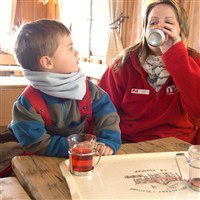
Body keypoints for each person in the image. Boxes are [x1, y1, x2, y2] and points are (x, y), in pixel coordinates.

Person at [10, 19, 121, 157]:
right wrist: (74, 147)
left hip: (88, 157)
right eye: (70, 48)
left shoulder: (92, 92)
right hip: (43, 161)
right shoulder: (27, 104)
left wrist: (108, 143)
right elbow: (35, 142)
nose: (76, 52)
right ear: (47, 62)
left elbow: (109, 119)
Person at [98, 0, 200, 144]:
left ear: (181, 30)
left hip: (178, 145)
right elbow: (101, 109)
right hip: (131, 144)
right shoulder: (123, 64)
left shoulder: (194, 61)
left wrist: (176, 57)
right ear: (145, 30)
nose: (159, 27)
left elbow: (198, 109)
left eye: (168, 23)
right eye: (153, 23)